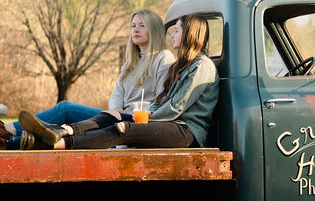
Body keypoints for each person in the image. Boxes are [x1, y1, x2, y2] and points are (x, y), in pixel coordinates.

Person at [15, 13, 219, 151]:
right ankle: (60, 130)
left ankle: (54, 144)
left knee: (123, 129)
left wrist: (146, 118)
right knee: (109, 116)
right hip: (170, 123)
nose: (173, 34)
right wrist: (139, 113)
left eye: (177, 30)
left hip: (186, 131)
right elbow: (164, 99)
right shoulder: (182, 65)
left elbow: (177, 106)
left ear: (190, 34)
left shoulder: (202, 66)